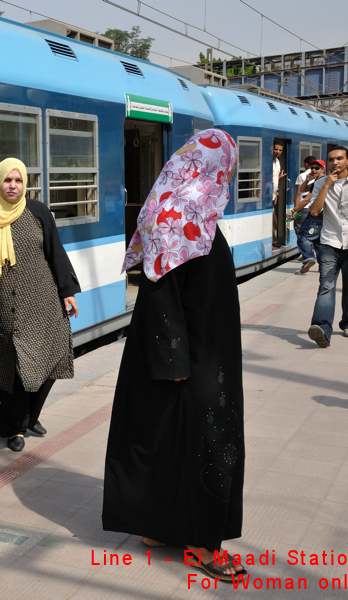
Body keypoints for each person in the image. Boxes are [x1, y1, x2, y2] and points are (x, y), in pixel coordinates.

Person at [102, 129, 247, 582]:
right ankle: (205, 544)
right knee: (207, 444)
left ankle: (158, 526)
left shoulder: (183, 206)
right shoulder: (180, 214)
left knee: (164, 442)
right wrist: (175, 363)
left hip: (191, 354)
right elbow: (162, 294)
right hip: (194, 360)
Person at [0, 158, 80, 452]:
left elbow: (55, 252)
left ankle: (27, 416)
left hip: (41, 302)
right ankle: (15, 429)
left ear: (25, 183)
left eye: (18, 180)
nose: (13, 186)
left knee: (50, 360)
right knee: (10, 370)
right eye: (7, 181)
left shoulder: (37, 211)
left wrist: (68, 291)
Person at [306, 146, 348, 347]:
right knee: (326, 285)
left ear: (347, 160)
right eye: (332, 159)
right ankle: (322, 328)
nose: (335, 163)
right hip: (329, 242)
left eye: (340, 158)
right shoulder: (320, 183)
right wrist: (326, 185)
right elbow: (315, 212)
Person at [291, 159, 325, 273]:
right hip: (323, 215)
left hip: (316, 214)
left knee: (302, 235)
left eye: (317, 168)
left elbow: (306, 200)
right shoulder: (317, 182)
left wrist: (293, 211)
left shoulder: (321, 182)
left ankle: (308, 258)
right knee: (317, 240)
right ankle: (323, 265)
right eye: (312, 168)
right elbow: (302, 189)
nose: (314, 170)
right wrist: (307, 180)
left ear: (323, 170)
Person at [271, 140, 286, 246]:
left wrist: (276, 193)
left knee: (273, 219)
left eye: (280, 150)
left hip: (273, 195)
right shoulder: (268, 161)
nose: (277, 151)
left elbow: (274, 178)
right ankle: (273, 242)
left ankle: (274, 241)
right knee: (272, 220)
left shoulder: (277, 161)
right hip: (266, 195)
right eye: (276, 149)